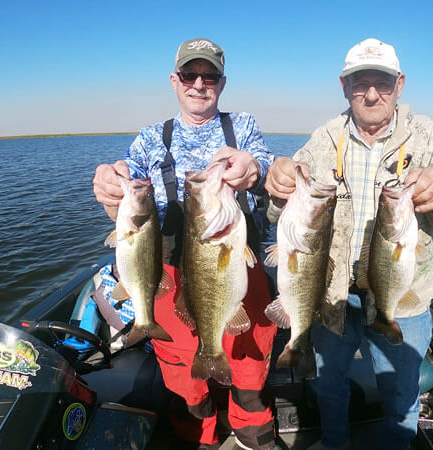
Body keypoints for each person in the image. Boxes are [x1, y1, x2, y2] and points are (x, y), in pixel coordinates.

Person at [264, 38, 433, 450]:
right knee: (328, 385)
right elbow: (282, 210)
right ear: (344, 87)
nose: (372, 93)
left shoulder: (426, 136)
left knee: (402, 394)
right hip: (332, 294)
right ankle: (334, 443)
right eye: (360, 83)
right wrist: (279, 181)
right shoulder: (326, 138)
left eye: (381, 82)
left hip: (403, 298)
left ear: (399, 84)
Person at [93, 38, 279, 450]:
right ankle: (200, 438)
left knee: (249, 356)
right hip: (169, 272)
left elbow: (263, 164)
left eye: (209, 75)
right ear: (174, 81)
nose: (199, 83)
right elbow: (128, 172)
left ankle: (254, 434)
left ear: (222, 82)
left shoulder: (243, 126)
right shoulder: (150, 138)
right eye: (190, 75)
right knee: (181, 368)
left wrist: (256, 168)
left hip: (234, 265)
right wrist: (112, 176)